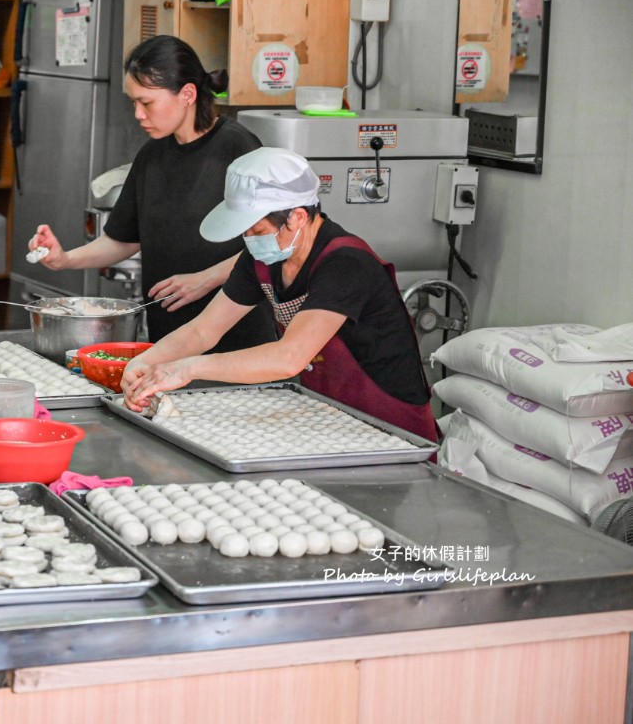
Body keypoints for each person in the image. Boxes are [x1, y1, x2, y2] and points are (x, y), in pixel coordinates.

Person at [121, 147, 438, 443]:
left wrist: (187, 368)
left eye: (257, 231)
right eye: (245, 231)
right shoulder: (263, 259)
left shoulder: (346, 264)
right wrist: (144, 363)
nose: (249, 240)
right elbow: (202, 331)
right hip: (328, 415)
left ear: (297, 216)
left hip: (389, 425)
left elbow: (289, 358)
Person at [27, 35, 275, 351]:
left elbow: (272, 243)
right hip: (168, 338)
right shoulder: (152, 155)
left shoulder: (237, 147)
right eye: (133, 103)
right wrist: (64, 259)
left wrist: (208, 278)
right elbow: (123, 239)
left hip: (238, 342)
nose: (138, 114)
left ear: (187, 94)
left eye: (146, 103)